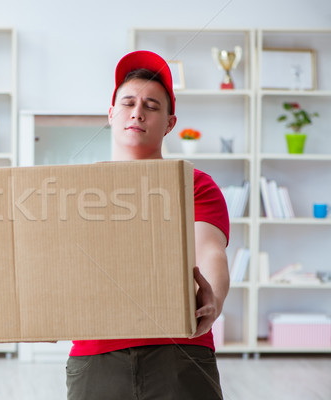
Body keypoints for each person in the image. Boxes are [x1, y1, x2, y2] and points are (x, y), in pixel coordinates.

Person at [66, 51, 230, 400]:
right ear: (111, 115)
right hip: (96, 353)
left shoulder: (195, 184)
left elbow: (210, 250)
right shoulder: (76, 187)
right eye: (128, 103)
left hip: (180, 350)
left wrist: (213, 299)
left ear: (170, 122)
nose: (137, 112)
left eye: (152, 106)